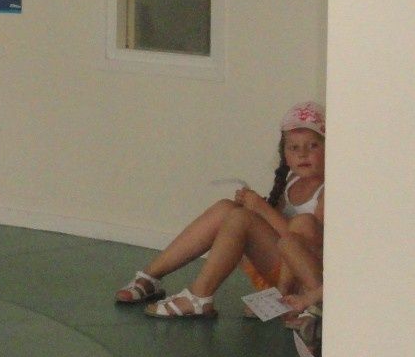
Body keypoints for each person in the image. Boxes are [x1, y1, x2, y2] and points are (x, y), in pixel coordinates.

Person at [115, 101, 326, 318]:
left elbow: (304, 242)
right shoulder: (291, 180)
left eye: (312, 146)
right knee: (227, 208)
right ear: (284, 153)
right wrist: (256, 207)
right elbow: (277, 227)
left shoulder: (327, 192)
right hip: (280, 269)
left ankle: (199, 296)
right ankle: (150, 276)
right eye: (294, 147)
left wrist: (261, 209)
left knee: (241, 219)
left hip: (303, 282)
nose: (303, 154)